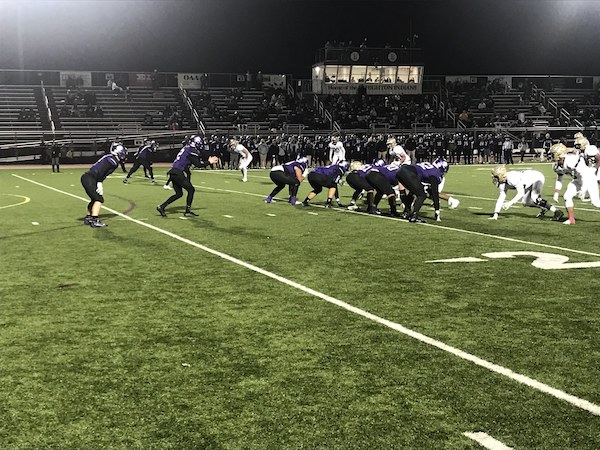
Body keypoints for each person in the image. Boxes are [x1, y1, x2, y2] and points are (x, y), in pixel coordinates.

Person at [156, 135, 219, 217]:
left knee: (179, 194)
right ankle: (187, 211)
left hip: (173, 171)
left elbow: (184, 162)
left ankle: (161, 207)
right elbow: (198, 165)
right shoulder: (191, 150)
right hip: (177, 172)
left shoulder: (186, 148)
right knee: (191, 190)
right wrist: (209, 162)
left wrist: (187, 173)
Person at [550, 142, 600, 224]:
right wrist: (556, 192)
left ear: (558, 154)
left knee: (596, 203)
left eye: (553, 154)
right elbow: (559, 177)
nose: (551, 156)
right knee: (567, 196)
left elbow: (584, 174)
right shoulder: (556, 166)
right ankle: (571, 219)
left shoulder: (571, 160)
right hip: (577, 180)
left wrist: (583, 189)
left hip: (589, 179)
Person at [489, 166, 563, 221]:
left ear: (502, 176)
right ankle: (543, 208)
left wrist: (510, 203)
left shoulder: (512, 178)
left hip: (536, 177)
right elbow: (501, 198)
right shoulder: (502, 183)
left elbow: (521, 193)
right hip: (527, 182)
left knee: (535, 197)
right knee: (526, 202)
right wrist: (496, 214)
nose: (495, 178)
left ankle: (557, 211)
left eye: (496, 176)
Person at [81, 142, 128, 228]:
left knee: (94, 199)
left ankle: (88, 218)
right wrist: (99, 182)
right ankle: (94, 220)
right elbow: (101, 172)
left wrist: (99, 181)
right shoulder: (112, 160)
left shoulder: (110, 157)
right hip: (91, 178)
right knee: (99, 199)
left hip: (88, 177)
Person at [396, 158, 449, 223]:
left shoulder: (430, 168)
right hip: (409, 173)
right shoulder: (435, 173)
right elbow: (435, 193)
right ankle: (414, 216)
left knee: (413, 192)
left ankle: (406, 212)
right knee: (422, 195)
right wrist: (437, 210)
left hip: (401, 171)